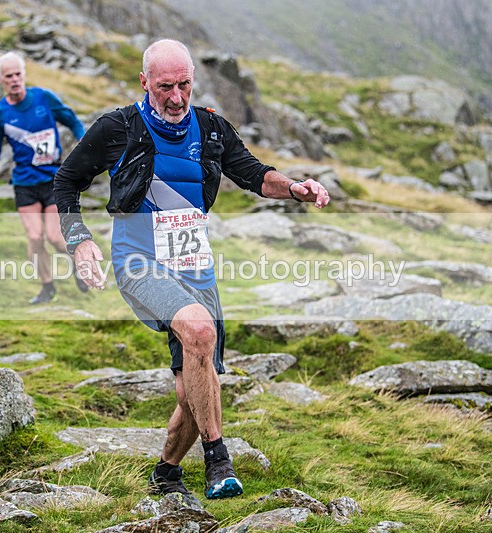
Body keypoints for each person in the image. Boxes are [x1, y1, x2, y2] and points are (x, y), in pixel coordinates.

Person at [54, 39, 329, 499]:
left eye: (184, 84)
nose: (177, 97)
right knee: (199, 332)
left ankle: (165, 472)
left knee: (192, 390)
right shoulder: (117, 127)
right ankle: (219, 459)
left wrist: (295, 188)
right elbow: (67, 180)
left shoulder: (211, 128)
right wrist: (79, 242)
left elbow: (255, 174)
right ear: (144, 82)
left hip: (196, 269)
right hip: (140, 264)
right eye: (165, 87)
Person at [0, 51, 88, 304]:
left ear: (24, 74)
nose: (15, 80)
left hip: (52, 179)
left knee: (55, 238)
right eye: (9, 76)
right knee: (35, 238)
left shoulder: (43, 97)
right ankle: (47, 287)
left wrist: (84, 143)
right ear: (0, 80)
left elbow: (72, 120)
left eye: (18, 74)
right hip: (24, 183)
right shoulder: (0, 114)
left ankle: (75, 264)